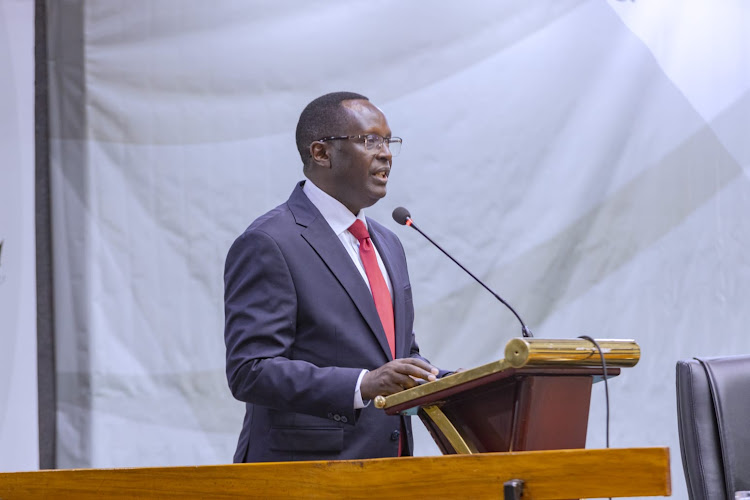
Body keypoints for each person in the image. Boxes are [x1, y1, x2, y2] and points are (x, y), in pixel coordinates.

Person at [224, 91, 441, 463]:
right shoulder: (271, 242)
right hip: (307, 472)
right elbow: (251, 370)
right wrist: (362, 384)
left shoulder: (387, 242)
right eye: (370, 140)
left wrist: (466, 380)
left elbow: (399, 354)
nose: (386, 153)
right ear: (321, 153)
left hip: (392, 469)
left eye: (389, 141)